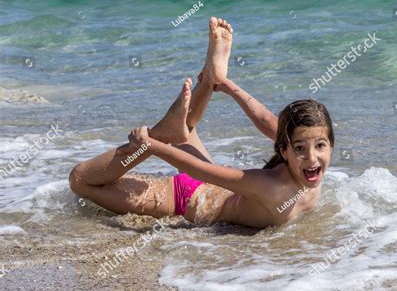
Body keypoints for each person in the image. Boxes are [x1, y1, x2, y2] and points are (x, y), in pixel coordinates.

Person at [69, 17, 335, 228]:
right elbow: (198, 171)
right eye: (300, 148)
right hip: (186, 200)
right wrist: (150, 145)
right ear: (284, 150)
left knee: (185, 132)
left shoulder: (307, 162)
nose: (312, 157)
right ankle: (163, 133)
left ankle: (210, 80)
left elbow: (268, 122)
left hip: (213, 189)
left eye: (320, 146)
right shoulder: (272, 186)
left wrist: (228, 85)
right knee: (80, 181)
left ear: (330, 145)